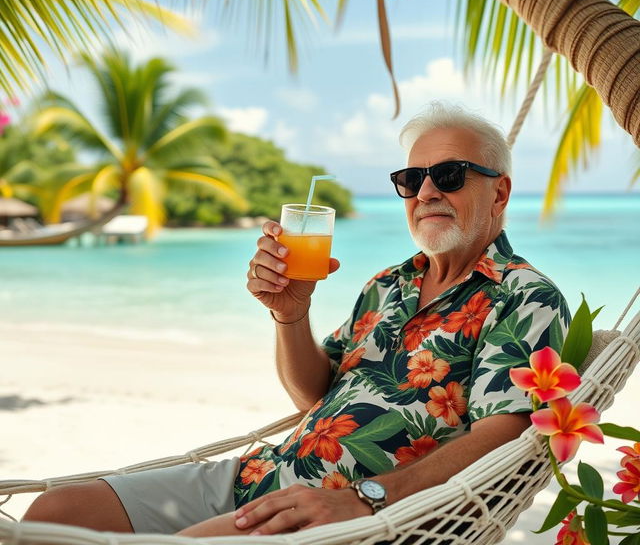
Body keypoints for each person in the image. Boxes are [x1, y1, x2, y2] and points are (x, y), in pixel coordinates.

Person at [22, 102, 570, 538]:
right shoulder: (388, 284)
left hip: (354, 513)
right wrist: (290, 315)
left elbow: (508, 433)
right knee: (59, 512)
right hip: (263, 473)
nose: (426, 191)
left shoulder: (523, 297)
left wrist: (364, 498)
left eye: (449, 174)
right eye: (412, 178)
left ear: (498, 191)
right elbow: (314, 397)